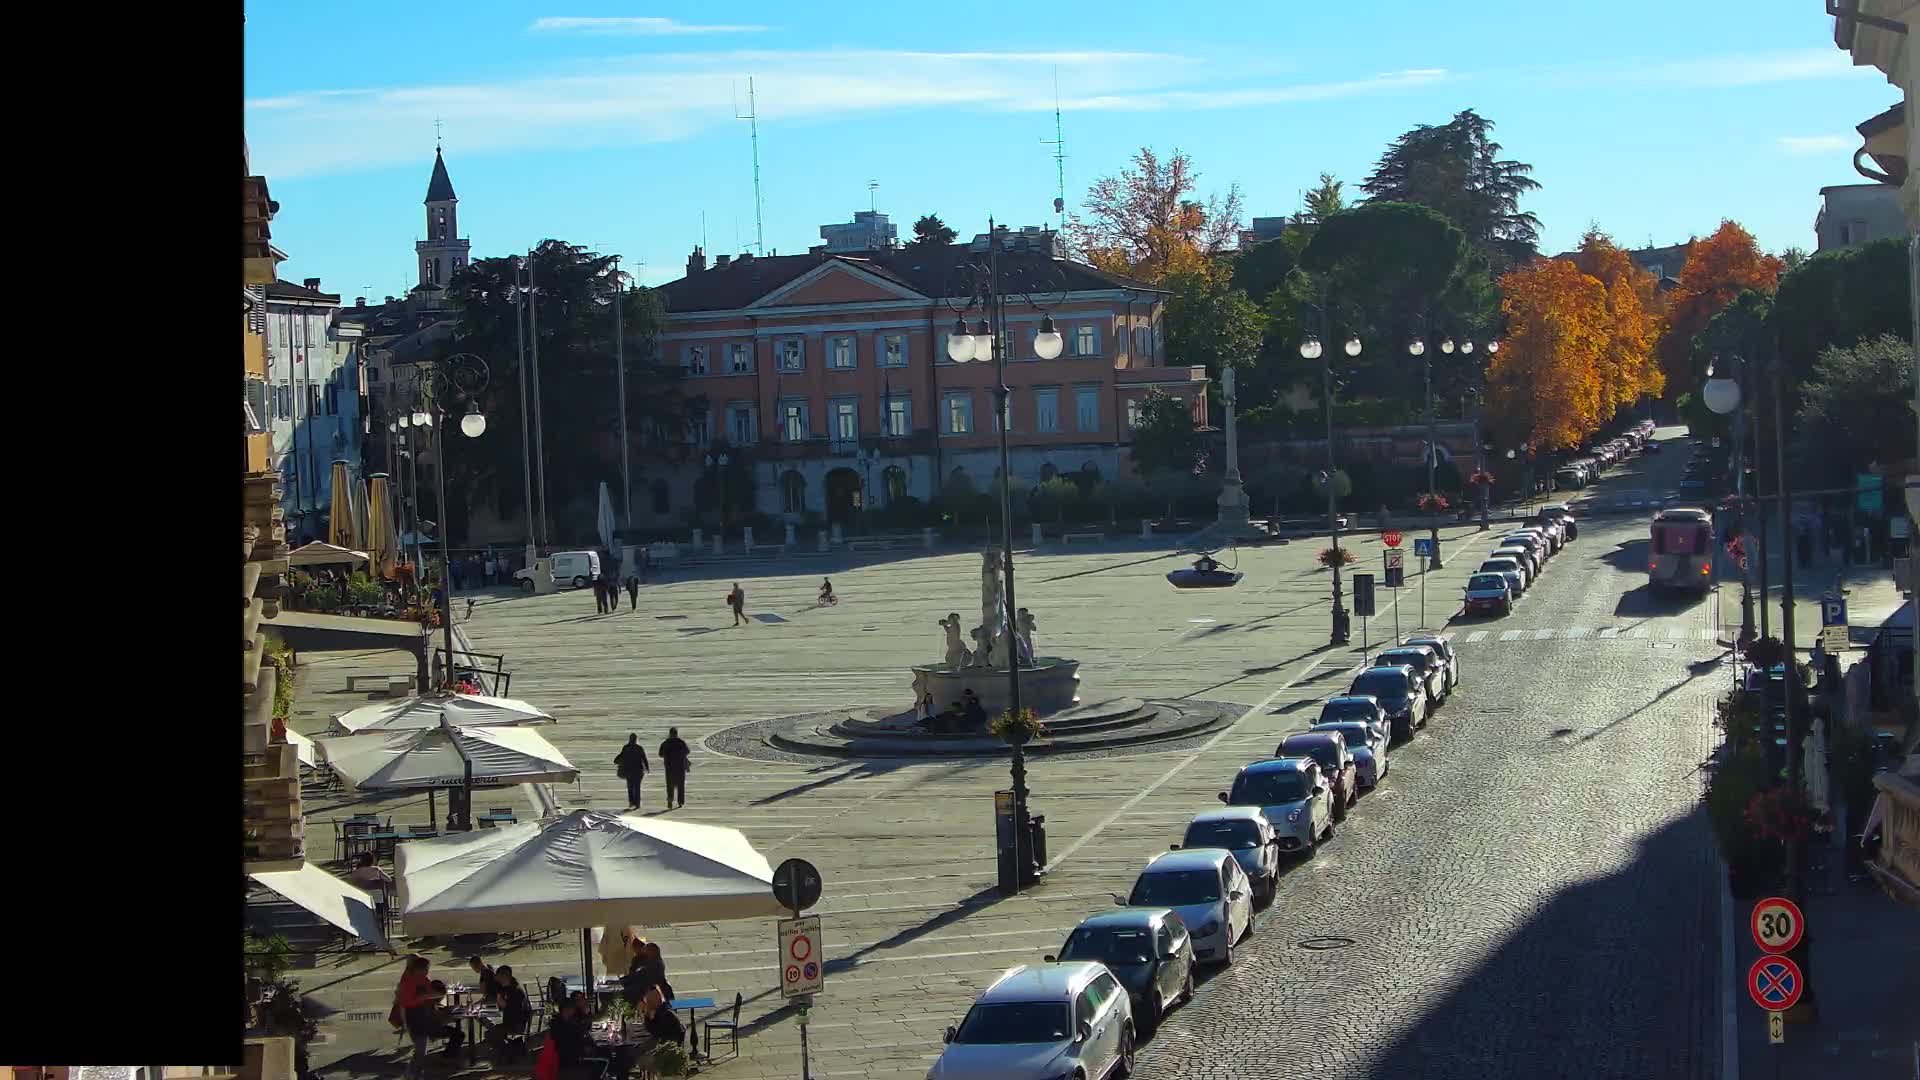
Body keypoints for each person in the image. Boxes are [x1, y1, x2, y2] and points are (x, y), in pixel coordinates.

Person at [394, 955, 437, 1079]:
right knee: (420, 1048)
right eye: (426, 969)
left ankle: (416, 1072)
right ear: (419, 969)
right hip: (413, 1016)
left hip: (422, 1015)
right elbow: (404, 1004)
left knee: (422, 1048)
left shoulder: (424, 979)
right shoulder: (408, 981)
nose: (428, 971)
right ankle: (411, 1072)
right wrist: (405, 1023)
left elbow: (429, 993)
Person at [486, 965, 531, 1060]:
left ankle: (508, 1053)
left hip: (516, 1024)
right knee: (491, 1031)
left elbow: (507, 1008)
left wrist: (499, 996)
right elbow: (502, 1007)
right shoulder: (507, 988)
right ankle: (508, 1051)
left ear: (504, 976)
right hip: (511, 1022)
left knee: (491, 1033)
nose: (496, 978)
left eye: (498, 975)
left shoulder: (514, 990)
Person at [426, 980, 466, 1055]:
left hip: (432, 1026)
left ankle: (449, 1053)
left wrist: (454, 1008)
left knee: (457, 1033)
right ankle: (449, 1055)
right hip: (432, 1028)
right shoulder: (428, 1004)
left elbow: (442, 1011)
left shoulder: (429, 1001)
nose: (442, 998)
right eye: (441, 996)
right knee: (459, 1035)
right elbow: (439, 1018)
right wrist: (453, 1017)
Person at [614, 733, 651, 811]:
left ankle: (631, 802)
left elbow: (621, 755)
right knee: (637, 787)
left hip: (629, 770)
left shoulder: (626, 747)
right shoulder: (639, 748)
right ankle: (637, 803)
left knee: (630, 787)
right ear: (636, 739)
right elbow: (644, 758)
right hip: (638, 771)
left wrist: (617, 761)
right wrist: (647, 768)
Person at [659, 727, 691, 809]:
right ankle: (680, 802)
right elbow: (687, 751)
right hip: (680, 767)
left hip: (669, 767)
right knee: (680, 785)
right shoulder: (681, 742)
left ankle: (670, 800)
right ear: (677, 734)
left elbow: (660, 754)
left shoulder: (666, 743)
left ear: (670, 734)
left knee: (670, 785)